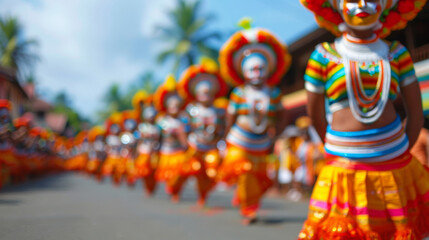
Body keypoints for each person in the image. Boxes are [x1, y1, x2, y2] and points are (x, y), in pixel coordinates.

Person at [298, 0, 429, 238]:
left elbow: (415, 112)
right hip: (343, 162)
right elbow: (315, 115)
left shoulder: (397, 53)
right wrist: (335, 146)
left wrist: (399, 149)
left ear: (385, 5)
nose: (362, 5)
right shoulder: (323, 55)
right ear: (336, 6)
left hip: (394, 160)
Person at [218, 19, 292, 225]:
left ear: (267, 70)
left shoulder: (274, 94)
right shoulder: (239, 93)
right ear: (244, 72)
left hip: (261, 143)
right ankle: (248, 209)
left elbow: (282, 116)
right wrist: (225, 140)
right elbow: (230, 118)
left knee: (261, 179)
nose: (256, 73)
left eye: (260, 69)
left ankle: (245, 198)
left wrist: (276, 135)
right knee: (244, 172)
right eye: (252, 70)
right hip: (239, 140)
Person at [177, 58, 229, 207]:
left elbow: (224, 129)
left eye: (208, 93)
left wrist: (223, 143)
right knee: (194, 171)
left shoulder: (219, 111)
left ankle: (204, 193)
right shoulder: (191, 110)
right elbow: (183, 128)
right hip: (195, 147)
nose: (205, 96)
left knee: (213, 173)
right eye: (202, 93)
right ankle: (194, 193)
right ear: (196, 94)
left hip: (212, 147)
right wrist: (185, 143)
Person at [153, 75, 189, 202]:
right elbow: (158, 137)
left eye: (177, 105)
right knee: (169, 175)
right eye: (172, 105)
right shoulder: (162, 121)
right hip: (166, 151)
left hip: (178, 151)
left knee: (180, 174)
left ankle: (176, 191)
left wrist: (185, 144)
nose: (175, 108)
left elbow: (186, 135)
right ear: (167, 106)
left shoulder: (183, 119)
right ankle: (172, 190)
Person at [135, 95, 160, 196]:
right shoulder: (142, 127)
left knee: (154, 172)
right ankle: (147, 187)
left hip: (154, 152)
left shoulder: (157, 127)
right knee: (144, 172)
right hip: (144, 152)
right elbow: (139, 140)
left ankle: (152, 187)